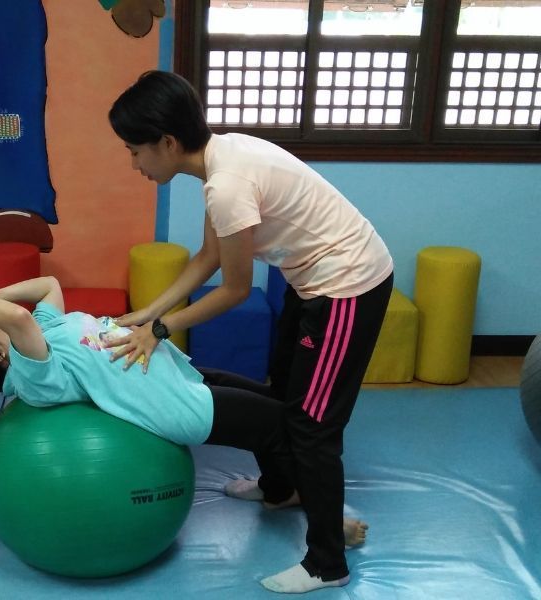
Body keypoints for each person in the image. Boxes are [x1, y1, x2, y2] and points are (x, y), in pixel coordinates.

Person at [106, 70, 393, 593]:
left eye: (135, 151)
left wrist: (162, 330)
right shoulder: (220, 162)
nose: (134, 165)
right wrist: (148, 312)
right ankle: (280, 489)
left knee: (313, 428)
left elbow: (234, 289)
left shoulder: (228, 185)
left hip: (349, 288)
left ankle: (327, 562)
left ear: (167, 143)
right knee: (281, 396)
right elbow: (209, 258)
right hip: (313, 288)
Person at [0, 273, 369, 545]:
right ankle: (325, 527)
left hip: (174, 373)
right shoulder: (32, 373)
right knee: (286, 425)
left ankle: (277, 491)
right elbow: (20, 318)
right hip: (177, 404)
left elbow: (48, 285)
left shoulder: (44, 334)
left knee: (270, 406)